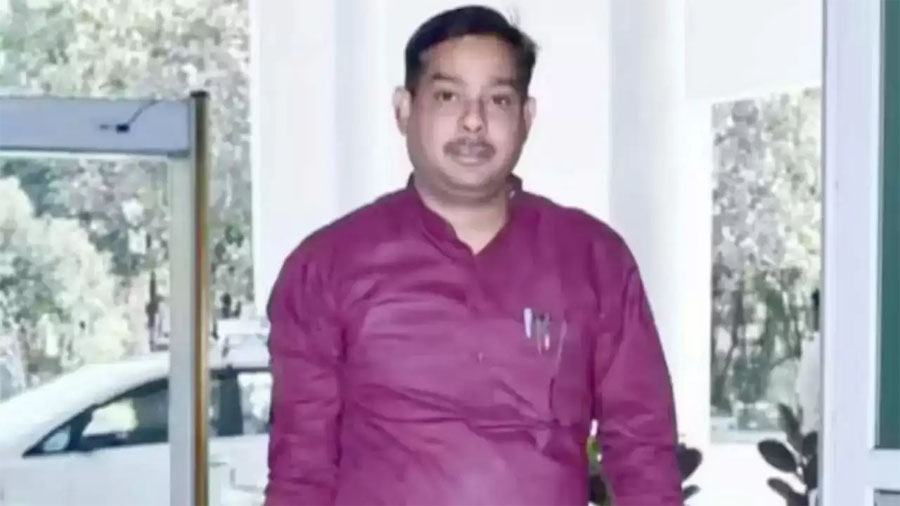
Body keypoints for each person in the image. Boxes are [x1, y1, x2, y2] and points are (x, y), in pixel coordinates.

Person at [265, 5, 682, 505]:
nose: (473, 121)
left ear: (526, 117)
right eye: (448, 96)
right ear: (403, 109)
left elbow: (644, 451)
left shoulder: (593, 260)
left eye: (498, 100)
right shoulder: (327, 267)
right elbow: (301, 470)